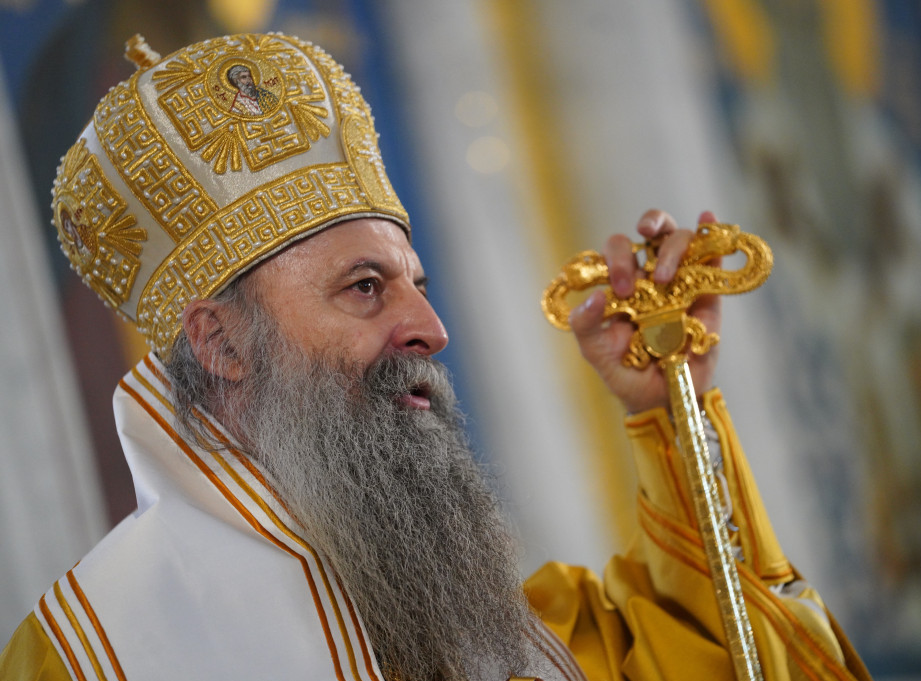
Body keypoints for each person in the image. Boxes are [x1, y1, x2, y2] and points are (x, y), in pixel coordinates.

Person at [0, 32, 870, 681]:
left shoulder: (510, 629)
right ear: (221, 341)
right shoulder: (98, 652)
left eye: (417, 282)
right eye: (365, 287)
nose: (430, 327)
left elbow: (742, 654)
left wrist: (665, 408)